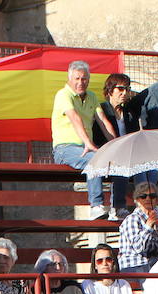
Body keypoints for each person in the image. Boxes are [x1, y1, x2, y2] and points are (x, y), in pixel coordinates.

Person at [51, 60, 117, 221]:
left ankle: (117, 207)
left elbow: (103, 121)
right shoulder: (63, 95)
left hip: (85, 148)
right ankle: (95, 205)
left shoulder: (92, 97)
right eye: (77, 78)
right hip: (65, 148)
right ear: (70, 79)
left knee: (117, 162)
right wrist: (88, 143)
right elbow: (74, 118)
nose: (81, 82)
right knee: (94, 160)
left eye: (84, 79)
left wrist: (117, 145)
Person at [94, 72, 143, 218]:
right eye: (120, 89)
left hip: (127, 153)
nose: (124, 93)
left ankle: (145, 205)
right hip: (106, 153)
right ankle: (118, 207)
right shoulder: (101, 110)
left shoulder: (129, 114)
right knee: (120, 163)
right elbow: (97, 136)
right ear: (110, 90)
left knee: (148, 168)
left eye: (127, 89)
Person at [116, 181, 158, 272]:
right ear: (137, 200)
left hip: (154, 266)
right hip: (133, 266)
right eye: (143, 196)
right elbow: (139, 248)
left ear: (157, 199)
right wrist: (148, 226)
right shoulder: (132, 219)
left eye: (152, 196)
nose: (148, 199)